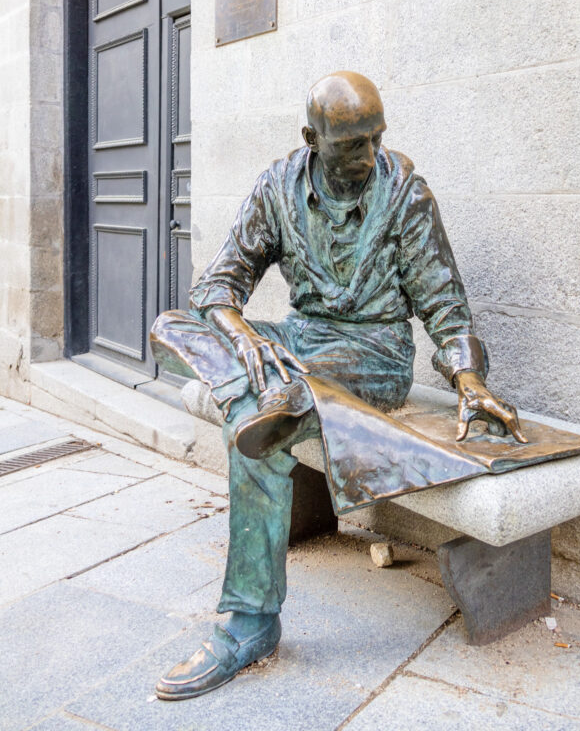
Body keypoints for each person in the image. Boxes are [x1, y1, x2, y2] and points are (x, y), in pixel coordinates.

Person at [150, 71, 524, 701]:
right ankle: (273, 388)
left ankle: (249, 623)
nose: (369, 156)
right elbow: (217, 286)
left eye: (376, 139)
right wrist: (247, 338)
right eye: (352, 145)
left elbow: (444, 302)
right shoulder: (278, 186)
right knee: (173, 325)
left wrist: (467, 376)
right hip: (297, 342)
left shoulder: (404, 191)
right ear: (312, 139)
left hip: (373, 354)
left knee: (258, 435)